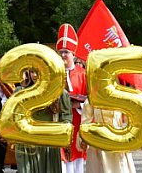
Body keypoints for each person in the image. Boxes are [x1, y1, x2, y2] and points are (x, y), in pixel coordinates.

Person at [14, 69, 72, 173]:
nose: (35, 75)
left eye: (38, 71)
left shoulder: (59, 93)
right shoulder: (20, 92)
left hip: (48, 144)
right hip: (26, 143)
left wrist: (62, 135)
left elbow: (66, 118)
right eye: (32, 71)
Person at [57, 23, 87, 173]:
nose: (63, 55)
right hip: (61, 121)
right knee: (63, 157)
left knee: (78, 157)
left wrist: (79, 105)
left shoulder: (82, 74)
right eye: (61, 52)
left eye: (66, 52)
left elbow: (90, 98)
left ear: (73, 54)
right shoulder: (55, 74)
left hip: (77, 120)